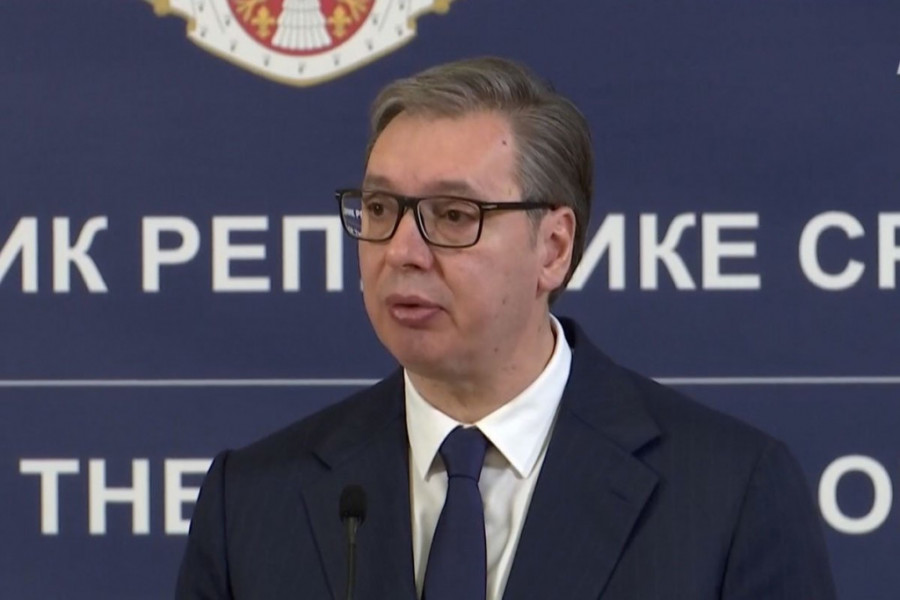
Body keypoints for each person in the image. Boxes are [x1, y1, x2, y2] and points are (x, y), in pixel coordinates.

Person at [176, 57, 836, 599]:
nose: (401, 250)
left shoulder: (728, 495)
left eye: (453, 215)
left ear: (553, 248)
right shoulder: (254, 502)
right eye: (379, 208)